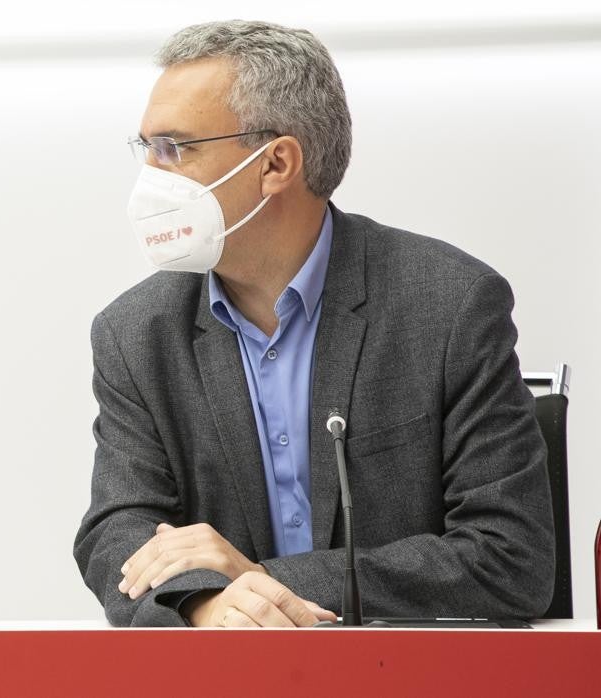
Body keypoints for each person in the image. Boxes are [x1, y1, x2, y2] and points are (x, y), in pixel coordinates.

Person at [73, 20, 554, 627]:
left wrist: (258, 579)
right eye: (145, 148)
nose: (152, 175)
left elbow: (511, 560)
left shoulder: (450, 304)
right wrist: (202, 601)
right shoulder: (136, 332)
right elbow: (118, 531)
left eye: (176, 148)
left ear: (276, 163)